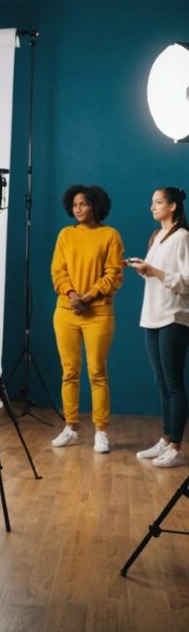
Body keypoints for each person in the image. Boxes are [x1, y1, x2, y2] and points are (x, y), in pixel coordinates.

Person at [50, 185, 124, 453]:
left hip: (98, 313)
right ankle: (70, 427)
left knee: (97, 372)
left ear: (96, 206)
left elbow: (114, 273)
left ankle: (100, 431)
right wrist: (71, 294)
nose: (78, 209)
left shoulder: (110, 235)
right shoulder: (66, 235)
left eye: (84, 204)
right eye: (75, 204)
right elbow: (58, 270)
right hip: (66, 312)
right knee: (69, 371)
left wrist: (89, 296)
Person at [128, 187, 189, 468]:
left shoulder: (183, 238)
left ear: (173, 206)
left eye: (158, 202)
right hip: (152, 315)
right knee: (162, 383)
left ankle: (176, 447)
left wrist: (154, 271)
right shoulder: (157, 237)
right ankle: (165, 439)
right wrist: (144, 269)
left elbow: (186, 282)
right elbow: (157, 277)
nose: (152, 206)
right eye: (151, 202)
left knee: (174, 383)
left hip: (174, 316)